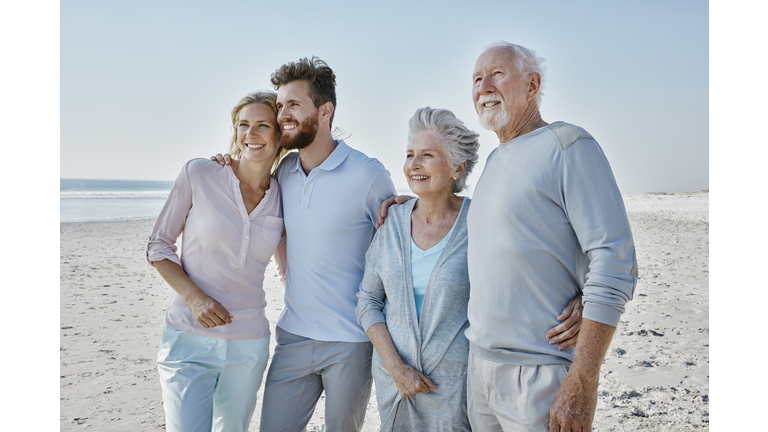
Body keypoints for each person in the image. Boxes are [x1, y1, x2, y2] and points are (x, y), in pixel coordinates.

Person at [358, 107, 585, 432]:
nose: (414, 164)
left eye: (427, 155)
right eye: (410, 155)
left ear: (457, 168)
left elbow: (546, 261)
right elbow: (367, 301)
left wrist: (584, 294)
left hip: (459, 392)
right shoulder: (390, 221)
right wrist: (396, 369)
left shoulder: (482, 219)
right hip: (396, 390)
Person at [213, 57, 397, 431]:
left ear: (325, 110)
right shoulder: (284, 172)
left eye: (294, 105)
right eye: (280, 106)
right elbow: (257, 199)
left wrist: (414, 206)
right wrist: (223, 163)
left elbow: (396, 248)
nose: (283, 115)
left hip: (351, 341)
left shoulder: (368, 173)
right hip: (294, 335)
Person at [465, 42, 638, 431]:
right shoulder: (493, 161)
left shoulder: (569, 146)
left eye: (496, 73)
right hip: (479, 371)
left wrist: (583, 381)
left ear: (532, 84)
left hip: (540, 375)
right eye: (476, 79)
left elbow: (615, 260)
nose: (484, 86)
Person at [147, 90, 288, 432]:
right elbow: (158, 246)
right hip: (188, 338)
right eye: (243, 125)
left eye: (262, 125)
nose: (250, 134)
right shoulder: (200, 173)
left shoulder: (286, 194)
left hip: (249, 344)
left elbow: (290, 272)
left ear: (280, 134)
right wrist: (196, 298)